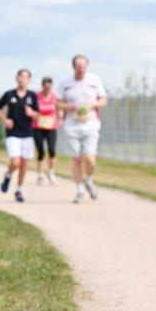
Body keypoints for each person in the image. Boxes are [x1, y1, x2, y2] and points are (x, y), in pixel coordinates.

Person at [57, 54, 108, 203]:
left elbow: (104, 100)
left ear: (87, 67)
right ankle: (79, 190)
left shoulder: (94, 80)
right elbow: (58, 103)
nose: (81, 70)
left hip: (91, 124)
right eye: (78, 67)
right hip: (72, 126)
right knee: (77, 160)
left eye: (83, 67)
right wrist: (70, 107)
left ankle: (89, 180)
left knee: (90, 159)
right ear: (73, 67)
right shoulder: (65, 84)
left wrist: (93, 104)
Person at [0, 69, 39, 202]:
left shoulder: (32, 95)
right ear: (17, 78)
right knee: (15, 162)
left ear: (29, 80)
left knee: (24, 164)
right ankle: (8, 175)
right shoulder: (9, 94)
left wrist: (32, 113)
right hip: (13, 133)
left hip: (27, 133)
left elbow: (38, 115)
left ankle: (19, 190)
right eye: (21, 76)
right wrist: (5, 120)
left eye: (26, 77)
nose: (23, 79)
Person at [33, 76, 59, 185]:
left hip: (51, 127)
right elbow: (31, 110)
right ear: (42, 86)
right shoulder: (36, 96)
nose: (47, 89)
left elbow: (59, 108)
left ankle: (51, 172)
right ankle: (39, 174)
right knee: (41, 151)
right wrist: (36, 115)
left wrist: (60, 118)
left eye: (49, 87)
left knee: (52, 150)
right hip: (38, 127)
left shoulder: (54, 97)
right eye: (45, 87)